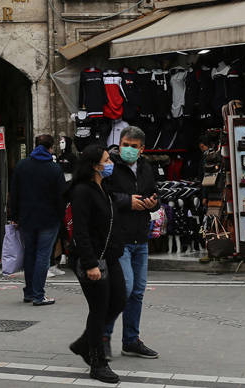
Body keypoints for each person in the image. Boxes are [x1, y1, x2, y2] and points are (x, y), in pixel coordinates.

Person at [67, 144, 124, 385]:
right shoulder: (82, 191)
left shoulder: (104, 187)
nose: (110, 162)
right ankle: (97, 362)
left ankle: (83, 343)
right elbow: (80, 230)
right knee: (99, 309)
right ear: (95, 165)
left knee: (119, 300)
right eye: (106, 159)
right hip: (90, 259)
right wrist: (90, 264)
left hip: (109, 256)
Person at [101, 126, 160, 360]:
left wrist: (152, 203)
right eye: (125, 144)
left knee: (137, 292)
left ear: (142, 149)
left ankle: (131, 340)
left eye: (133, 147)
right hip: (118, 238)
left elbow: (155, 194)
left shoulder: (146, 167)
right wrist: (127, 201)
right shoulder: (109, 167)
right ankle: (103, 337)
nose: (127, 150)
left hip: (140, 238)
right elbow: (101, 196)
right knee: (122, 289)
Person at [10, 134, 66, 306]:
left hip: (27, 218)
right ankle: (38, 294)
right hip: (49, 219)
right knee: (43, 255)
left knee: (30, 253)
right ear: (50, 148)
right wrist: (61, 216)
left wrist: (15, 216)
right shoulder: (54, 168)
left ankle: (29, 292)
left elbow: (14, 193)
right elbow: (61, 197)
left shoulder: (22, 166)